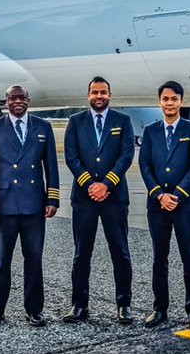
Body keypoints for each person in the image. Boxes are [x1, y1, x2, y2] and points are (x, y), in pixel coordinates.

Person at [0, 85, 60, 328]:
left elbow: (51, 166)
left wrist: (52, 199)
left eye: (21, 97)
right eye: (12, 98)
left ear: (28, 100)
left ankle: (34, 310)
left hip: (34, 205)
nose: (17, 101)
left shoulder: (42, 127)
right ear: (6, 102)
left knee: (34, 258)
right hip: (5, 205)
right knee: (1, 261)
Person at [62, 76, 136, 325]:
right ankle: (79, 305)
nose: (99, 96)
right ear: (88, 96)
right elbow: (71, 157)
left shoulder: (122, 121)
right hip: (84, 199)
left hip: (114, 198)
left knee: (120, 253)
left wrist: (106, 184)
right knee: (82, 254)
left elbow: (126, 156)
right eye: (95, 92)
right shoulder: (75, 121)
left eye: (103, 92)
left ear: (110, 95)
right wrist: (89, 184)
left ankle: (124, 305)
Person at [138, 80, 190, 329]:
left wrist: (176, 194)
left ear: (181, 101)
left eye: (174, 99)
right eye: (165, 99)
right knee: (160, 259)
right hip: (158, 206)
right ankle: (160, 309)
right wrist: (159, 195)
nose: (169, 103)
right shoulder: (150, 131)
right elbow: (145, 165)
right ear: (159, 102)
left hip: (185, 205)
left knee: (189, 258)